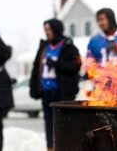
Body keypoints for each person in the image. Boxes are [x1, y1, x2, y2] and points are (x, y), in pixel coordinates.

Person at [29, 18, 81, 151]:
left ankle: (66, 147)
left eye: (49, 29)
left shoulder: (69, 46)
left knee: (65, 123)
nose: (47, 32)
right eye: (45, 30)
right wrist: (33, 87)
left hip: (62, 92)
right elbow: (36, 67)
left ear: (56, 29)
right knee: (49, 123)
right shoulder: (44, 47)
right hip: (46, 92)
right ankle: (50, 148)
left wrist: (57, 64)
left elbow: (76, 65)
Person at [86, 8, 117, 96]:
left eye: (102, 19)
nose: (100, 23)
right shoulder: (94, 40)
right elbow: (89, 62)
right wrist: (95, 75)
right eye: (98, 20)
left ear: (111, 19)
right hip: (101, 89)